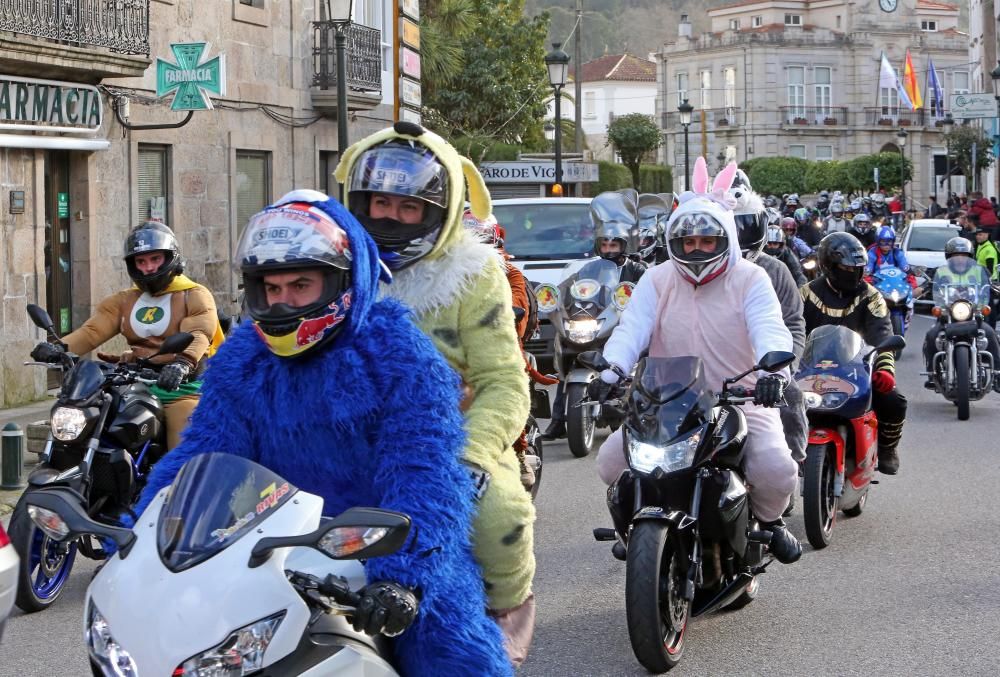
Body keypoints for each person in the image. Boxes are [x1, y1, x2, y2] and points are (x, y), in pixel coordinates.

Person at [130, 194, 513, 676]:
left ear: (343, 281)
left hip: (386, 554)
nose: (282, 300)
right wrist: (140, 539)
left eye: (300, 284)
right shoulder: (242, 358)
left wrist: (403, 580)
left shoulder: (400, 355)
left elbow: (426, 477)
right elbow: (202, 454)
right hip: (269, 553)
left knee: (452, 653)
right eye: (271, 287)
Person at [335, 121, 535, 664]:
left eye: (408, 207)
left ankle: (502, 618)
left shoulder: (476, 275)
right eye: (379, 202)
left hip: (448, 441)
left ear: (438, 211)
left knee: (497, 517)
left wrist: (469, 456)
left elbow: (503, 380)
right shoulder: (335, 265)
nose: (390, 217)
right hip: (347, 436)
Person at [592, 158, 802, 564]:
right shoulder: (657, 278)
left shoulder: (750, 278)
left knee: (776, 470)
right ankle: (636, 528)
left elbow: (769, 327)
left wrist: (774, 372)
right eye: (689, 242)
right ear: (676, 242)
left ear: (725, 238)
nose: (698, 248)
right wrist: (610, 370)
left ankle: (770, 524)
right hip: (666, 401)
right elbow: (631, 329)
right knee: (611, 460)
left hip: (742, 399)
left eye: (707, 241)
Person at [30, 221, 222, 451]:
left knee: (183, 449)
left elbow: (199, 333)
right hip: (135, 384)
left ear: (171, 257)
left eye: (155, 259)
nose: (148, 267)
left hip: (181, 388)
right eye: (141, 261)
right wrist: (59, 348)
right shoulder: (124, 300)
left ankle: (177, 484)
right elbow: (92, 331)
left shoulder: (194, 295)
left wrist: (183, 363)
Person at [543, 190, 647, 440]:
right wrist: (555, 296)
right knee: (566, 367)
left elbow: (648, 298)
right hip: (595, 321)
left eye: (614, 244)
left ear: (624, 244)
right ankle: (558, 420)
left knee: (647, 360)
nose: (609, 248)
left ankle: (641, 414)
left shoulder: (638, 270)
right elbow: (569, 286)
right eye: (604, 244)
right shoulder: (589, 268)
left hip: (623, 328)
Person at [800, 233, 907, 474]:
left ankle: (888, 448)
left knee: (894, 400)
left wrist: (884, 371)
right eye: (847, 267)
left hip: (856, 368)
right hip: (809, 369)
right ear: (829, 266)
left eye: (858, 268)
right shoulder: (805, 294)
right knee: (775, 405)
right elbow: (792, 331)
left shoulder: (872, 296)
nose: (854, 273)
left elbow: (882, 335)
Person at [463, 209, 555, 488]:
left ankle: (519, 452)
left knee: (508, 391)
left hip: (500, 348)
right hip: (457, 351)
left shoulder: (509, 272)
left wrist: (508, 313)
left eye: (482, 240)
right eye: (469, 240)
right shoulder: (449, 272)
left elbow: (519, 304)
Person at [735, 190, 808, 473]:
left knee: (792, 398)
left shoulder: (776, 270)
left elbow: (793, 322)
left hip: (763, 368)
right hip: (711, 369)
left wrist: (781, 371)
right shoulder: (691, 271)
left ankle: (795, 462)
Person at [923, 237, 1000, 389]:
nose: (959, 258)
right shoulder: (941, 271)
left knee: (991, 334)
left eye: (963, 255)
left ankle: (998, 373)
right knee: (932, 335)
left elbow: (987, 285)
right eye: (955, 255)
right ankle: (932, 373)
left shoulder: (979, 270)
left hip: (973, 315)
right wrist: (922, 289)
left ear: (969, 256)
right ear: (949, 256)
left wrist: (994, 289)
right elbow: (931, 285)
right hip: (948, 316)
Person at [637, 192, 673, 265]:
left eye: (644, 241)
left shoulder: (667, 255)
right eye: (637, 240)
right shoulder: (628, 258)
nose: (640, 243)